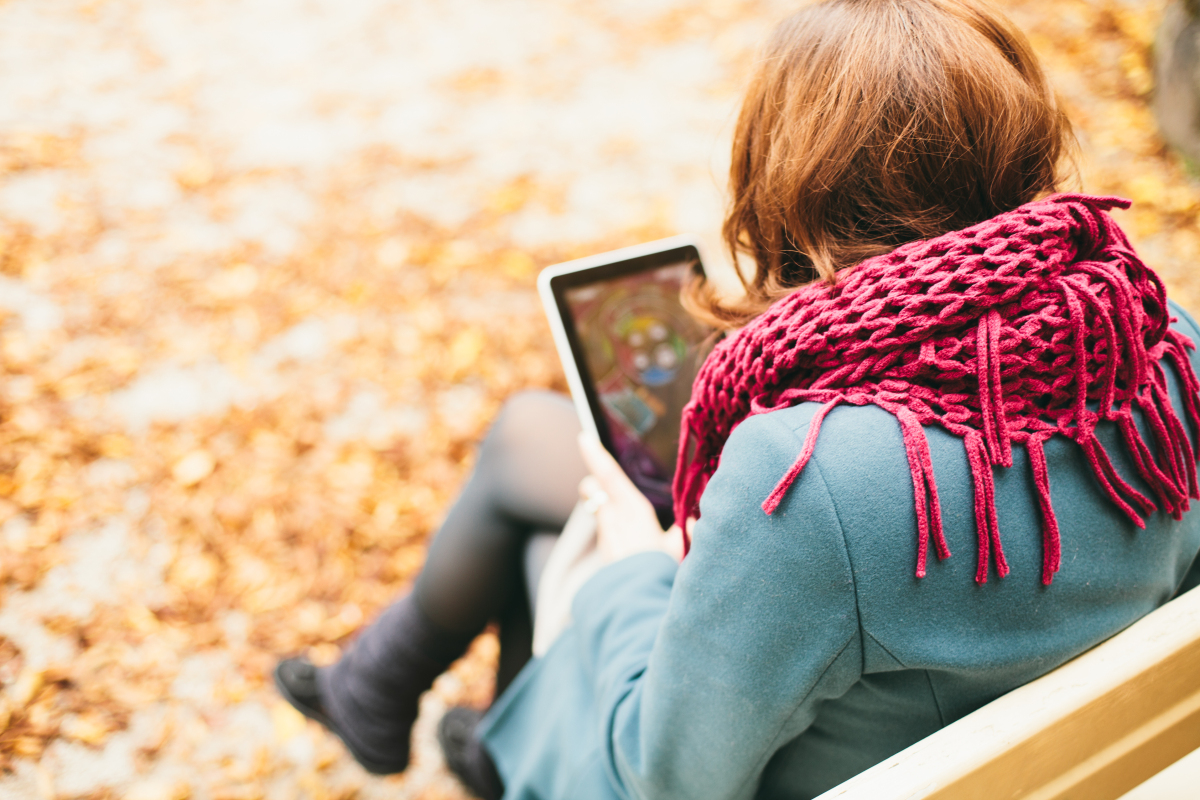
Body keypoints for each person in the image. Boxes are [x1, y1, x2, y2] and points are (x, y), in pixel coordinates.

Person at [275, 1, 1200, 798]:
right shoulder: (1164, 348)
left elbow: (668, 779)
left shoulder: (809, 478)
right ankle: (403, 699)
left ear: (798, 188)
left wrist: (630, 573)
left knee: (564, 539)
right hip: (1021, 759)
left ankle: (480, 742)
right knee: (539, 442)